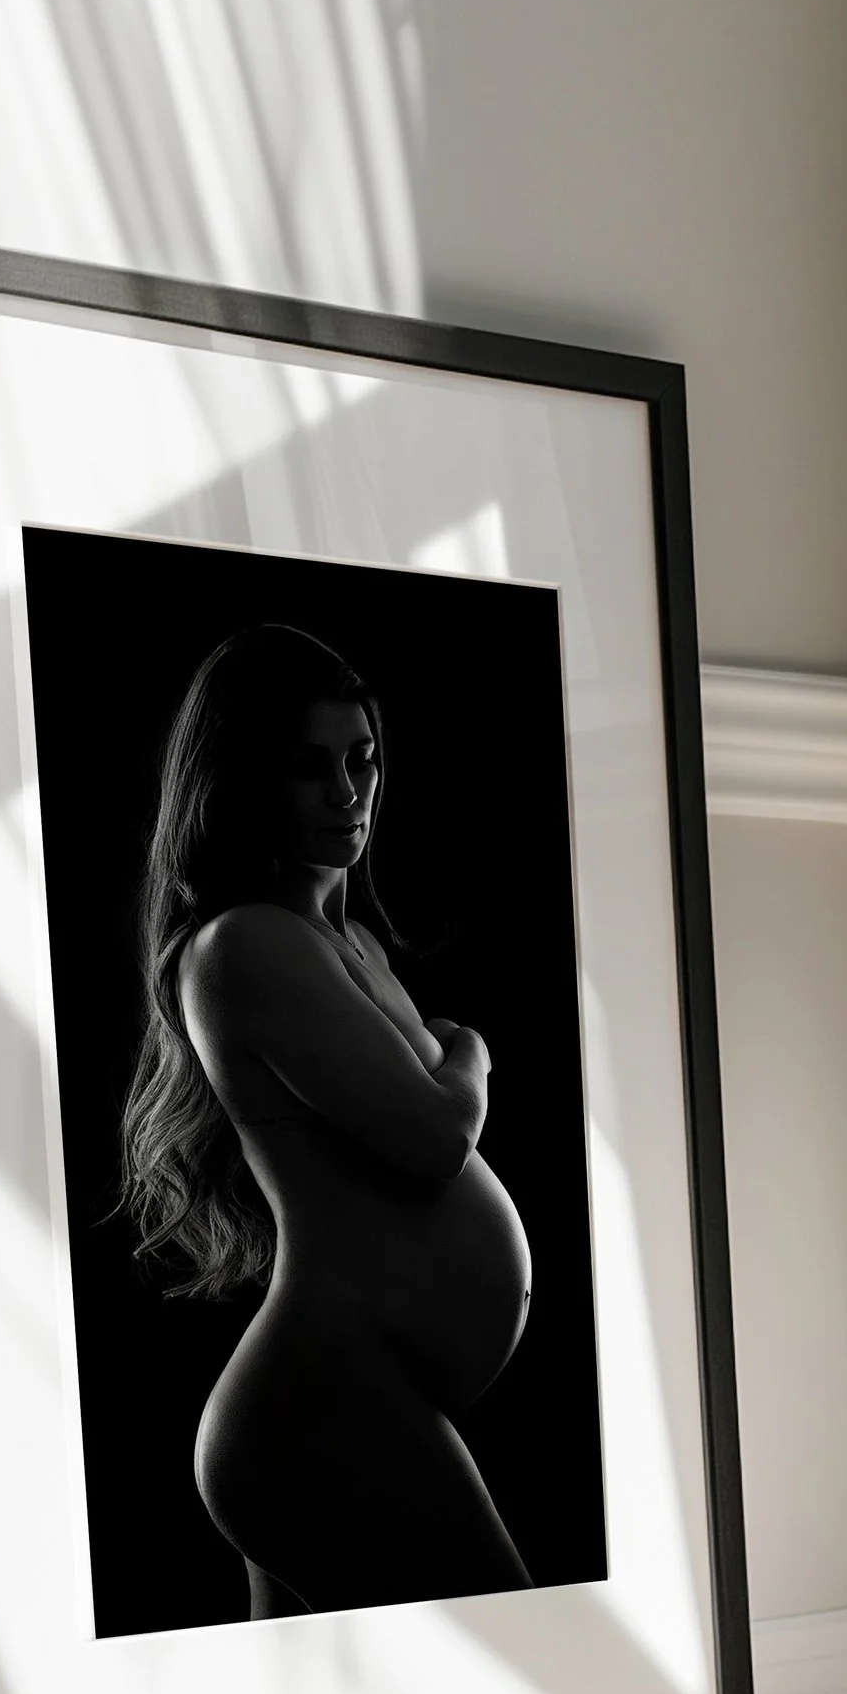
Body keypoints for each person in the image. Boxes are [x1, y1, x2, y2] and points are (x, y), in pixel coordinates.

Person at [119, 623, 536, 1618]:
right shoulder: (245, 944)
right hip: (320, 1405)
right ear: (243, 781)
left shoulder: (349, 944)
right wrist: (471, 1047)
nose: (349, 792)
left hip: (348, 1402)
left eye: (363, 758)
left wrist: (449, 1062)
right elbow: (437, 1138)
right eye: (310, 766)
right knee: (509, 1642)